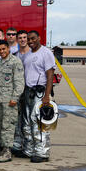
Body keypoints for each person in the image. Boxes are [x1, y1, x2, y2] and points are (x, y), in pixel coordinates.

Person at [21, 30, 55, 163]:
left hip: (40, 92)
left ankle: (42, 153)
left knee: (39, 123)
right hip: (28, 92)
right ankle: (29, 150)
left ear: (39, 38)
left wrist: (47, 95)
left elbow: (50, 75)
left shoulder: (46, 53)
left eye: (33, 38)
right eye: (28, 39)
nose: (30, 41)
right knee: (27, 122)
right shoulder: (27, 55)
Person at [0, 40, 25, 162]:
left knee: (8, 125)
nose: (2, 51)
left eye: (4, 49)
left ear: (8, 49)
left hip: (9, 100)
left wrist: (15, 98)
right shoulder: (0, 62)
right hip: (0, 99)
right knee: (0, 124)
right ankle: (3, 149)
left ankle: (8, 152)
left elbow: (19, 82)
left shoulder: (15, 62)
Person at [12, 30, 30, 154]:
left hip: (30, 91)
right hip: (17, 92)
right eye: (20, 38)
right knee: (17, 120)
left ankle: (29, 148)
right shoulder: (15, 55)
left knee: (29, 119)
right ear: (17, 40)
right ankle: (17, 146)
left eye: (25, 37)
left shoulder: (33, 54)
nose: (23, 39)